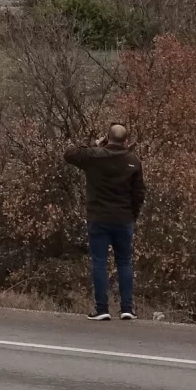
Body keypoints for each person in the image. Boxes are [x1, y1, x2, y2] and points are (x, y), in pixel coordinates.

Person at [65, 122, 145, 321]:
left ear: (107, 138)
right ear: (126, 141)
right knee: (124, 262)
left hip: (98, 218)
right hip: (124, 218)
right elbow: (139, 194)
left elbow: (69, 153)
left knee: (99, 262)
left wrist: (94, 144)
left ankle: (102, 309)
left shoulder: (94, 156)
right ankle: (127, 308)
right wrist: (132, 216)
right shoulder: (133, 161)